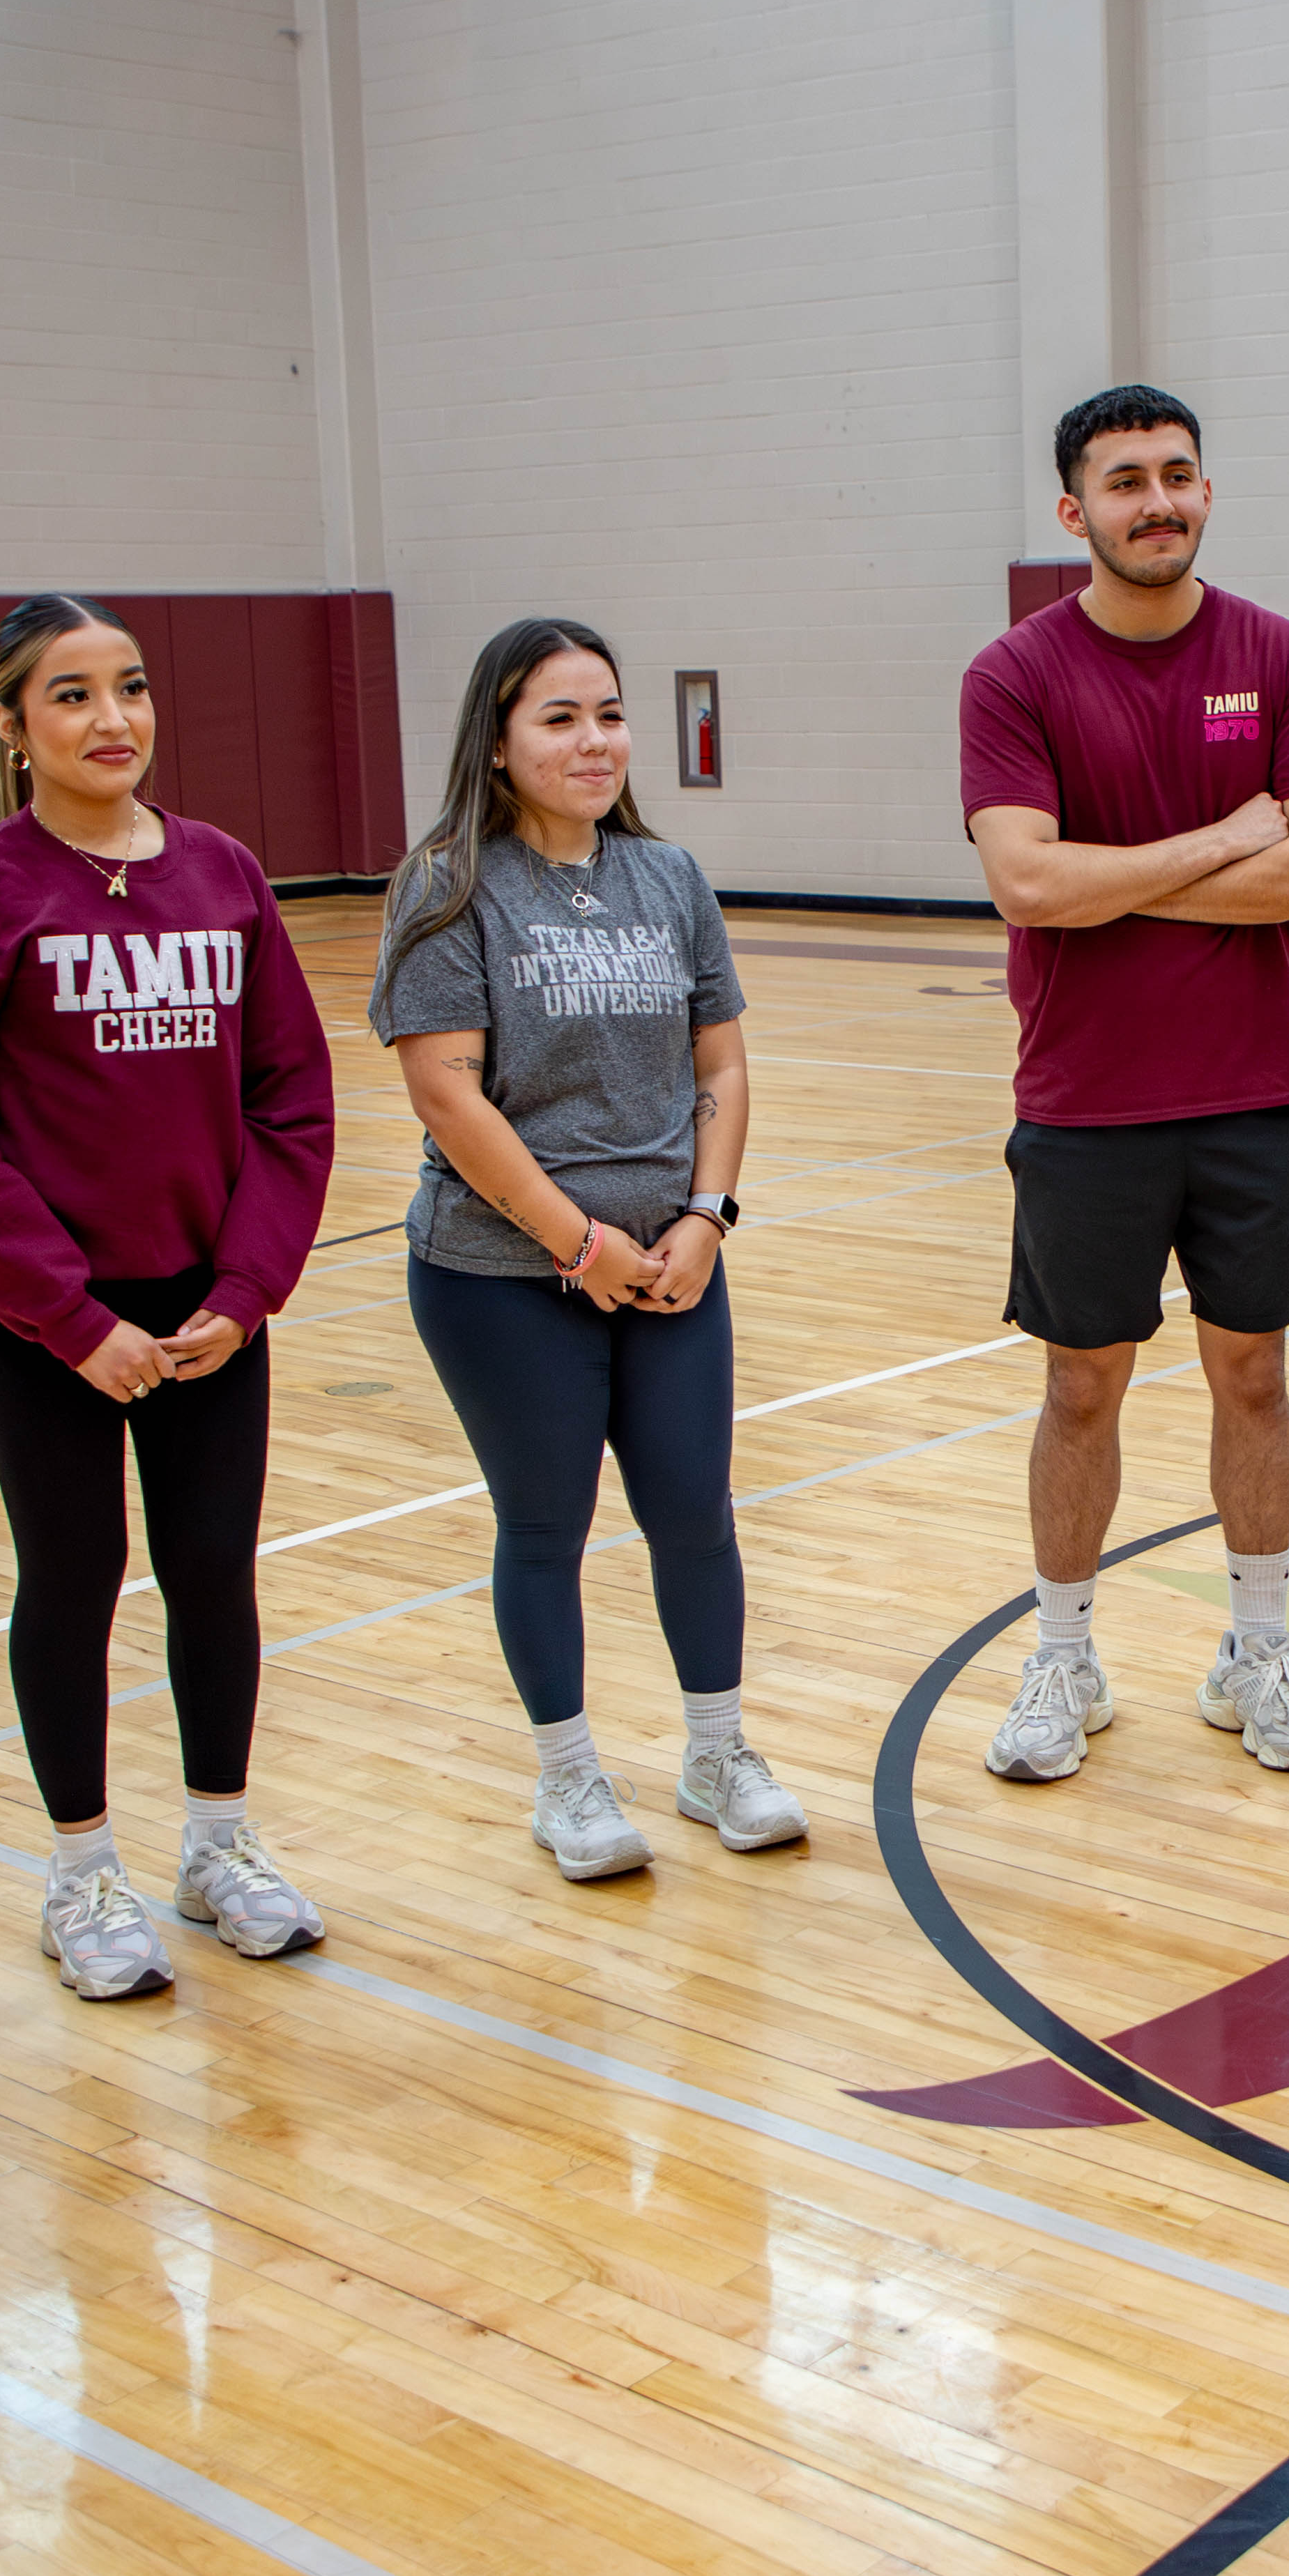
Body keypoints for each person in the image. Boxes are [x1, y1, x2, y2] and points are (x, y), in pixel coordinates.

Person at [0, 596, 340, 1999]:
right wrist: (71, 1319)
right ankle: (82, 1873)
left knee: (212, 1573)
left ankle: (218, 1848)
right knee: (72, 1579)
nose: (112, 720)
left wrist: (245, 1290)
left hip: (208, 1315)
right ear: (10, 724)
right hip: (46, 1324)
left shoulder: (225, 874)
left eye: (131, 688)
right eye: (72, 695)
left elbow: (291, 1101)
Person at [958, 384, 1289, 1781]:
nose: (1158, 502)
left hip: (1253, 1095)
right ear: (1073, 510)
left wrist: (1111, 883)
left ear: (1206, 489)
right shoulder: (1014, 676)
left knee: (1254, 1374)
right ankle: (1063, 1658)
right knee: (1081, 1389)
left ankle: (1257, 1651)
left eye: (1177, 474)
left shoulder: (1288, 659)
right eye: (1125, 480)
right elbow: (1026, 884)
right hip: (1082, 1102)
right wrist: (1224, 841)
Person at [370, 616, 800, 1880]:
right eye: (558, 718)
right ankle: (567, 1780)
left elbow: (720, 1063)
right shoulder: (447, 885)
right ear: (498, 742)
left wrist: (705, 1218)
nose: (595, 741)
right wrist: (577, 1243)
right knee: (545, 1526)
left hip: (672, 1264)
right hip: (502, 1274)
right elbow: (447, 1095)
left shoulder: (667, 877)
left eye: (608, 714)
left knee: (695, 1515)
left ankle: (716, 1757)